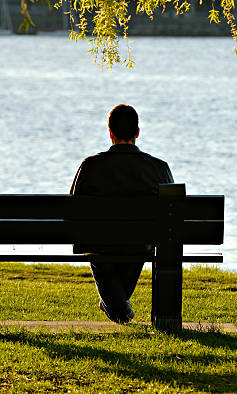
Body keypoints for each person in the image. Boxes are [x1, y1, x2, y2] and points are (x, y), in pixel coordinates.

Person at [70, 104, 174, 323]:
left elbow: (72, 213)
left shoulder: (90, 166)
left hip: (99, 243)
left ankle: (116, 306)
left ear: (110, 133)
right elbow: (172, 215)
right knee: (141, 239)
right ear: (137, 132)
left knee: (99, 246)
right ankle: (117, 306)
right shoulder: (159, 168)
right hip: (141, 242)